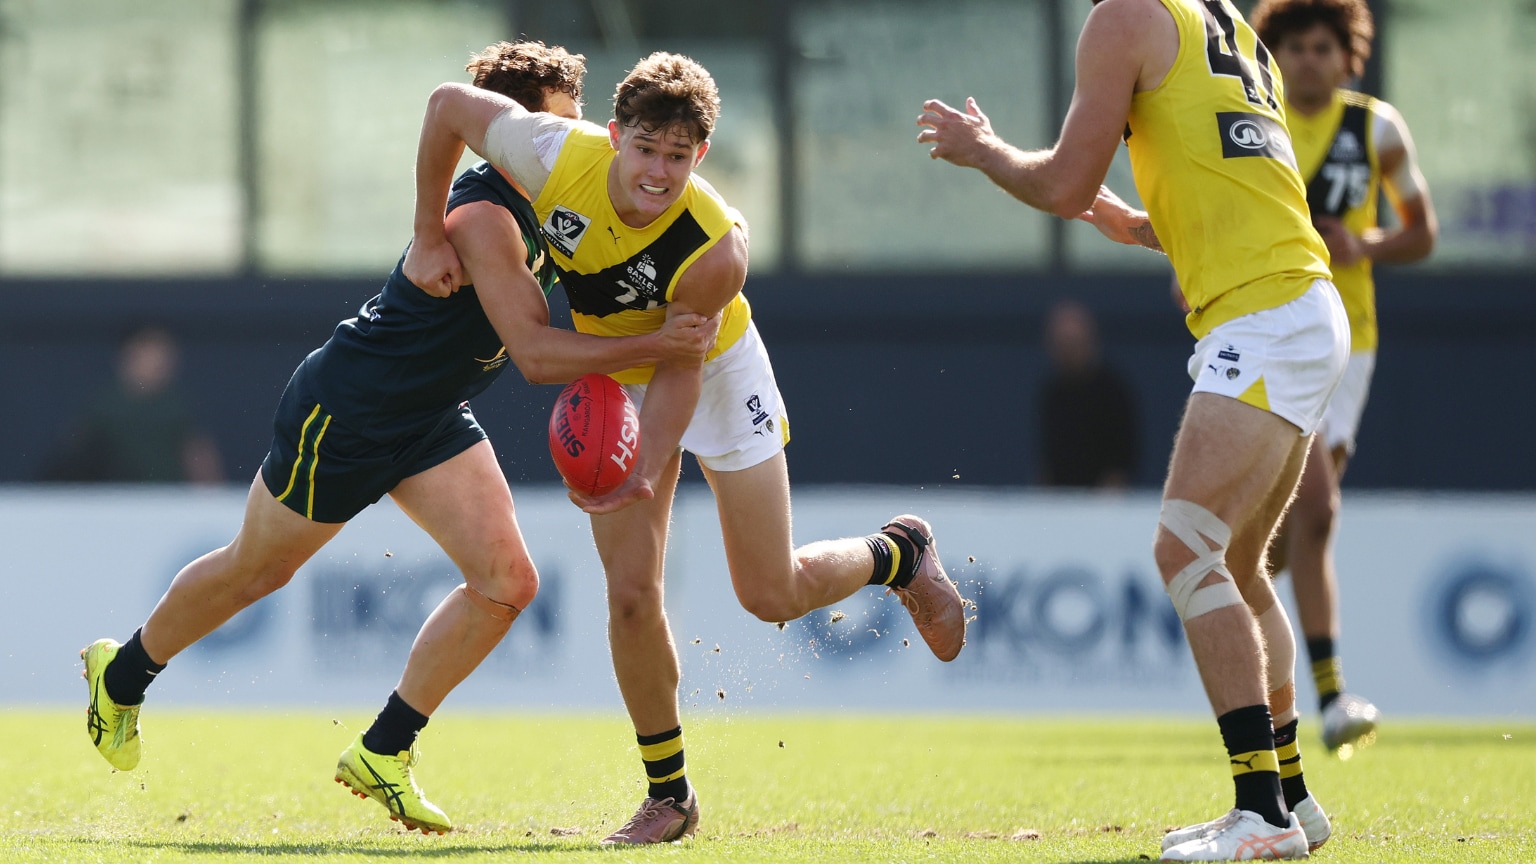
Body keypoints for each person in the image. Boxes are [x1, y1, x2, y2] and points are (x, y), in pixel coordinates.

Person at [79, 41, 719, 836]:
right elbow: (536, 355)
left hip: (432, 416)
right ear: (517, 126)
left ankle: (386, 749)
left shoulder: (564, 199)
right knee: (257, 571)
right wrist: (660, 345)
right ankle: (125, 673)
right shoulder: (486, 213)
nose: (579, 135)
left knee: (508, 581)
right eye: (563, 118)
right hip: (351, 409)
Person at [406, 51, 968, 845]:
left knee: (770, 593)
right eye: (644, 149)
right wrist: (426, 232)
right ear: (613, 136)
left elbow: (680, 365)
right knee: (632, 595)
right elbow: (444, 107)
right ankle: (669, 796)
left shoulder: (716, 248)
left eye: (677, 157)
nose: (658, 172)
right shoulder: (551, 152)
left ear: (700, 156)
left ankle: (899, 555)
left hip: (711, 368)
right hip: (617, 376)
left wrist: (638, 469)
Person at [919, 0, 1345, 858]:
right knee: (1241, 566)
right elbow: (1224, 202)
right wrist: (1126, 223)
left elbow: (1061, 184)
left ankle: (1259, 814)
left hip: (1264, 317)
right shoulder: (1228, 27)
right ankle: (1291, 799)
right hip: (1301, 304)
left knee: (1186, 550)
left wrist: (984, 153)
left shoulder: (1127, 16)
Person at [1251, 0, 1437, 756]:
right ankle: (1330, 697)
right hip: (1276, 328)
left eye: (1321, 46)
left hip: (1351, 342)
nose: (1306, 60)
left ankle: (1232, 613)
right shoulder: (1254, 120)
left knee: (1286, 532)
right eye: (1292, 47)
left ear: (1347, 53)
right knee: (1319, 510)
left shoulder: (1378, 130)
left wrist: (1365, 244)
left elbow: (1421, 235)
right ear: (1274, 54)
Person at [42, 325, 223, 484]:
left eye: (164, 354)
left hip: (169, 507)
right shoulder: (103, 407)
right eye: (148, 352)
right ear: (128, 355)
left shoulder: (178, 408)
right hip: (115, 506)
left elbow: (202, 465)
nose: (158, 361)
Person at [1037, 299, 1139, 488]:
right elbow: (1048, 458)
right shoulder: (1052, 392)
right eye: (1062, 345)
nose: (1068, 352)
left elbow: (1122, 458)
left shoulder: (1112, 391)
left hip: (1104, 504)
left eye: (1073, 344)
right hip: (1059, 502)